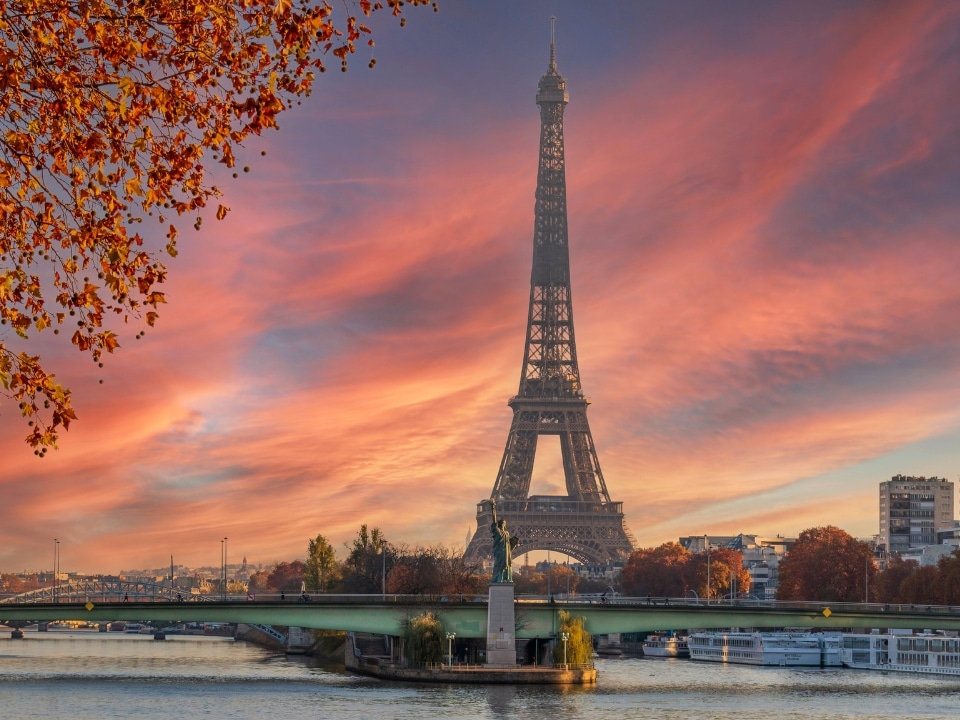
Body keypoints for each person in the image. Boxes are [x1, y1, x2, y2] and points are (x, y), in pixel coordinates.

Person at [490, 499, 520, 583]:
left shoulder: (506, 533)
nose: (503, 524)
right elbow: (494, 521)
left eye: (504, 524)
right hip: (500, 552)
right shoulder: (498, 532)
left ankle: (505, 578)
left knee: (506, 564)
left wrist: (514, 541)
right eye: (502, 523)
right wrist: (493, 508)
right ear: (499, 525)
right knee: (500, 565)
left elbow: (510, 545)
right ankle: (499, 578)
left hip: (506, 552)